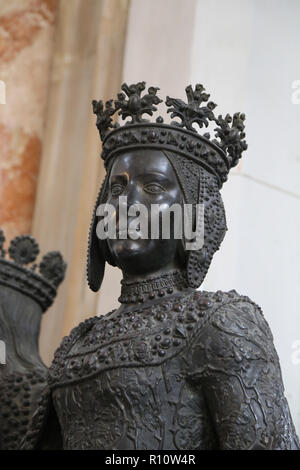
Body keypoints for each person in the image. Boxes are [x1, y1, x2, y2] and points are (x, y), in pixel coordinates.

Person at [21, 82, 299, 450]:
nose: (126, 204)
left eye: (152, 187)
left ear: (194, 216)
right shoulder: (78, 342)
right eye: (116, 190)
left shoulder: (224, 322)